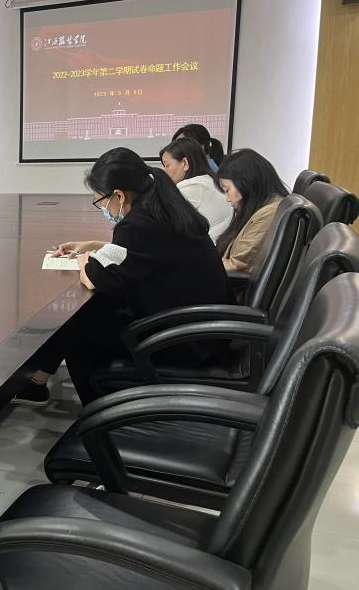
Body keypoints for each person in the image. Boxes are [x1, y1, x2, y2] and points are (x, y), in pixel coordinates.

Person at [15, 147, 231, 407]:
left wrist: (84, 260)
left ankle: (99, 412)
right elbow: (140, 252)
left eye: (101, 202)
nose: (103, 209)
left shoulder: (140, 222)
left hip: (181, 341)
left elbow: (96, 277)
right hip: (202, 330)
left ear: (118, 195)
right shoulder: (163, 207)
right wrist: (93, 245)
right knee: (94, 310)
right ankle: (38, 381)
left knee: (76, 320)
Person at [216, 149, 289, 274]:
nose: (227, 199)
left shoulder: (268, 215)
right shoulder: (263, 208)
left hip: (233, 284)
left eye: (227, 190)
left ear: (246, 183)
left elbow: (237, 266)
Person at [159, 138, 233, 243]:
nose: (165, 171)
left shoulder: (191, 186)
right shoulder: (209, 180)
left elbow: (160, 222)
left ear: (185, 163)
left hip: (213, 248)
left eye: (167, 165)